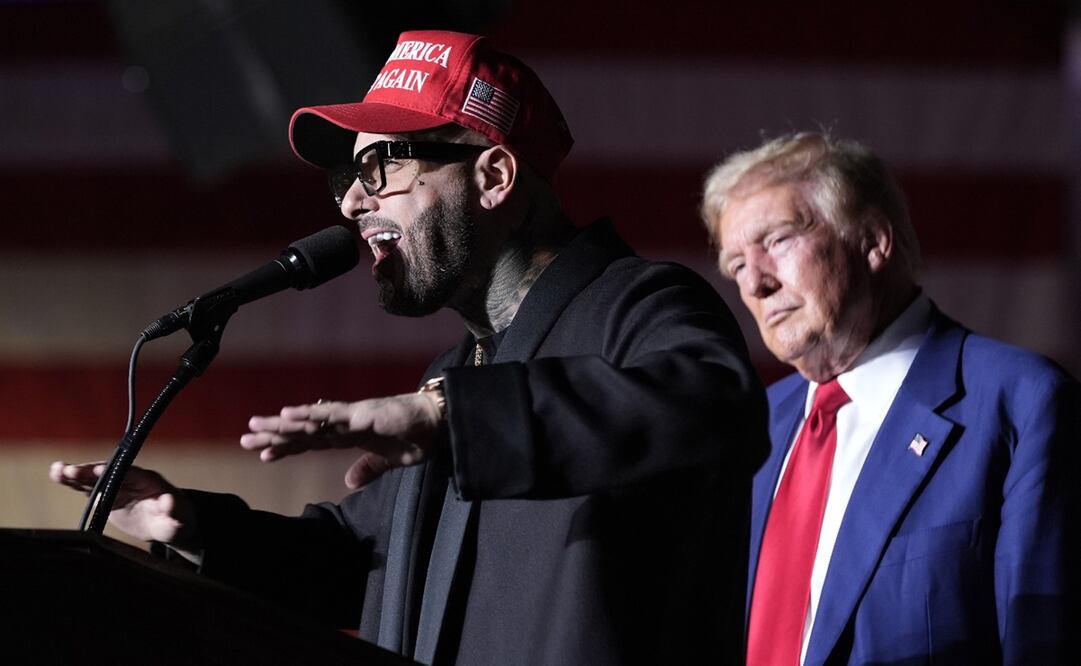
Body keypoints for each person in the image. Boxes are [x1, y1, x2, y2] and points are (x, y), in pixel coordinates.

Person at [51, 30, 768, 665]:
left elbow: (713, 406)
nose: (350, 203)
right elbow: (362, 563)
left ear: (492, 176)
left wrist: (448, 419)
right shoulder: (457, 372)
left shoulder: (640, 305)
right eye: (347, 177)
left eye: (380, 169)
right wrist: (195, 527)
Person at [700, 131, 1080, 665]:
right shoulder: (752, 429)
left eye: (778, 240)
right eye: (737, 265)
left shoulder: (1021, 404)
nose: (755, 284)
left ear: (874, 241)